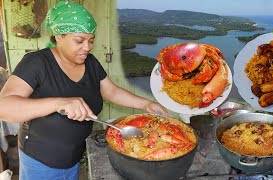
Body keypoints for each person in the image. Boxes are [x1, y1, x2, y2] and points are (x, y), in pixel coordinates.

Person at [0, 1, 167, 179]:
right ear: (59, 37)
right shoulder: (37, 63)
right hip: (41, 162)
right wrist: (58, 103)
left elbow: (111, 91)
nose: (87, 47)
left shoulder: (90, 62)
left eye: (91, 41)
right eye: (79, 41)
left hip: (73, 157)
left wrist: (146, 103)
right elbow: (4, 107)